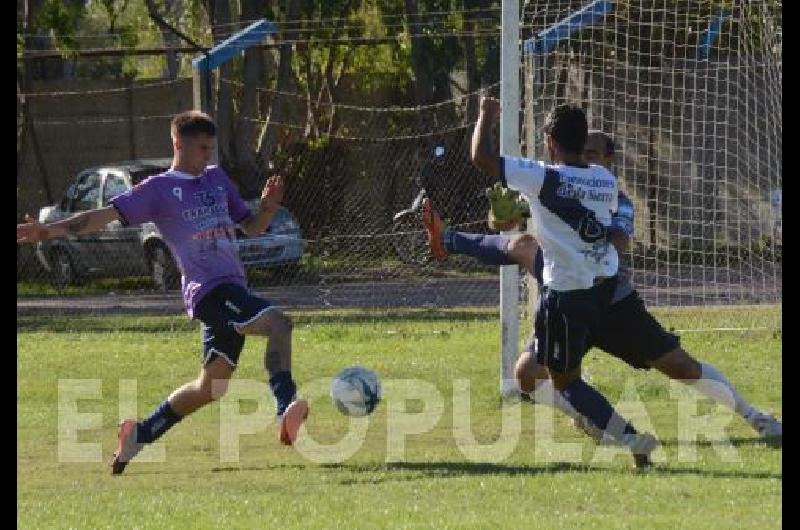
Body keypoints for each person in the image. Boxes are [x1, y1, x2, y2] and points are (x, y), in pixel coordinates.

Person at [422, 128, 782, 444]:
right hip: (564, 299)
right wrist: (507, 216)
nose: (586, 160)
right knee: (526, 373)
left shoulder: (617, 199)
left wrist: (575, 231)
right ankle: (589, 418)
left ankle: (755, 417)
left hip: (607, 300)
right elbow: (503, 221)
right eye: (583, 153)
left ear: (608, 161)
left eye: (593, 154)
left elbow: (618, 243)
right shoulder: (555, 186)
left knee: (680, 366)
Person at [17, 110, 310, 475]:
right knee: (279, 324)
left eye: (210, 148)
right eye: (201, 148)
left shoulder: (217, 179)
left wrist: (268, 208)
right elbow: (99, 217)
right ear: (178, 143)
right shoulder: (158, 190)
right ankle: (286, 408)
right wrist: (47, 231)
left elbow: (251, 228)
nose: (207, 155)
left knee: (210, 388)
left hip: (232, 289)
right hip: (209, 292)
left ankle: (139, 435)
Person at [456, 96, 657, 467]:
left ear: (550, 141)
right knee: (548, 372)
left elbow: (481, 159)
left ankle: (632, 439)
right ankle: (628, 439)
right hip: (602, 289)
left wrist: (486, 115)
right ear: (584, 142)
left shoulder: (544, 176)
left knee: (564, 382)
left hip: (564, 297)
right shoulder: (604, 180)